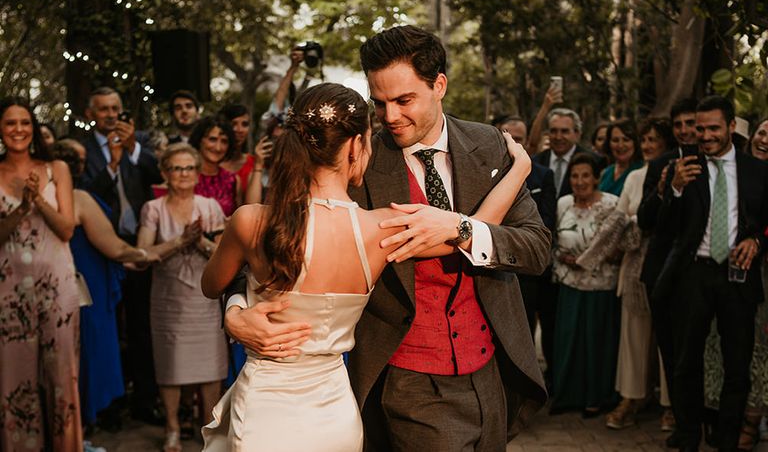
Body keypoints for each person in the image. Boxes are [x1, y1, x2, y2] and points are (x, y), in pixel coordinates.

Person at [223, 26, 550, 451]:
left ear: (439, 85)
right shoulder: (355, 166)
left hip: (492, 369)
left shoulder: (489, 146)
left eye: (403, 100)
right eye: (379, 104)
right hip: (405, 378)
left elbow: (537, 247)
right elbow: (265, 245)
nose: (390, 116)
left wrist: (464, 230)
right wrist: (235, 310)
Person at [655, 95, 768, 452]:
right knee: (687, 361)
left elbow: (765, 222)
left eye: (713, 128)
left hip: (738, 276)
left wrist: (756, 242)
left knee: (738, 364)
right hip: (693, 274)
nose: (703, 136)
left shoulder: (757, 170)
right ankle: (688, 437)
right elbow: (663, 229)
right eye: (699, 128)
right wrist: (673, 188)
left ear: (732, 127)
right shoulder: (684, 167)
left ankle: (727, 440)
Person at [52, 139, 161, 428]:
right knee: (88, 348)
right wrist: (146, 254)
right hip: (85, 283)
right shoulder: (78, 198)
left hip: (75, 279)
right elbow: (115, 248)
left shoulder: (47, 195)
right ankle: (80, 425)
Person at [0, 98, 81, 451]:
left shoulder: (57, 168)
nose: (18, 129)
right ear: (0, 130)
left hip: (57, 284)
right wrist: (21, 209)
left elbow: (67, 230)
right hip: (9, 286)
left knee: (61, 373)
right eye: (10, 123)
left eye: (25, 122)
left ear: (33, 128)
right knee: (13, 374)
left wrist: (40, 200)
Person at [80, 86, 163, 424]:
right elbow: (83, 196)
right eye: (103, 110)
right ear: (90, 115)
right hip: (102, 248)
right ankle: (110, 405)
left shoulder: (139, 142)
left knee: (143, 326)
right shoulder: (82, 151)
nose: (111, 115)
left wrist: (132, 149)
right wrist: (112, 166)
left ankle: (146, 400)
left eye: (115, 108)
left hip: (140, 242)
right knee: (109, 328)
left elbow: (159, 177)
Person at [138, 143, 227, 452]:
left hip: (205, 296)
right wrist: (179, 241)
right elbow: (144, 254)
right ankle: (172, 427)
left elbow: (223, 254)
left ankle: (209, 428)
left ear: (197, 172)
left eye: (189, 168)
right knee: (170, 365)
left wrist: (199, 241)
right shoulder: (153, 209)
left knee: (211, 366)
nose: (184, 174)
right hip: (168, 298)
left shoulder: (210, 206)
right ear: (165, 173)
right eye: (176, 168)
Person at [702, 117, 768, 451]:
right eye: (762, 132)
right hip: (730, 275)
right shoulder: (734, 170)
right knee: (731, 350)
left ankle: (753, 421)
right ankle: (724, 419)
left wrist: (759, 239)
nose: (766, 140)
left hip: (758, 274)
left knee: (758, 353)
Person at [604, 118, 674, 430]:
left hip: (667, 264)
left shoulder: (676, 170)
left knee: (668, 338)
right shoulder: (634, 177)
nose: (647, 145)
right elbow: (620, 221)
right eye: (644, 139)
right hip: (634, 266)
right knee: (633, 335)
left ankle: (670, 403)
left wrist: (636, 220)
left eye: (653, 139)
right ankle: (631, 396)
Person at [636, 96, 699, 442]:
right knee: (672, 353)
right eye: (679, 125)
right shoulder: (659, 164)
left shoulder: (716, 163)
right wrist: (664, 189)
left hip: (704, 273)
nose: (686, 130)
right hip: (662, 272)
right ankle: (683, 423)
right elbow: (645, 220)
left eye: (691, 123)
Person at [550, 153, 621, 415]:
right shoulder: (563, 204)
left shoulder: (612, 205)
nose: (579, 181)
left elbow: (618, 247)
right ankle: (567, 396)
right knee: (569, 341)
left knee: (596, 343)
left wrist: (591, 258)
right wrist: (564, 257)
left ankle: (596, 397)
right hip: (569, 282)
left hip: (601, 284)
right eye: (574, 176)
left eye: (585, 176)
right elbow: (553, 241)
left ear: (596, 178)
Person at [493, 113, 558, 387]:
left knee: (533, 332)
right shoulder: (483, 170)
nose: (513, 143)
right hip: (493, 267)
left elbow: (545, 223)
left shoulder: (542, 175)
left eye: (519, 138)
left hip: (530, 271)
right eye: (507, 136)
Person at [534, 107, 595, 198]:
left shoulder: (593, 161)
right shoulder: (535, 162)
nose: (558, 137)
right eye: (553, 131)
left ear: (577, 134)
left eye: (564, 131)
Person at [598, 119, 643, 197]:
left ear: (635, 142)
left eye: (626, 140)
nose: (620, 145)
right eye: (615, 140)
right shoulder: (605, 173)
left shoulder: (642, 171)